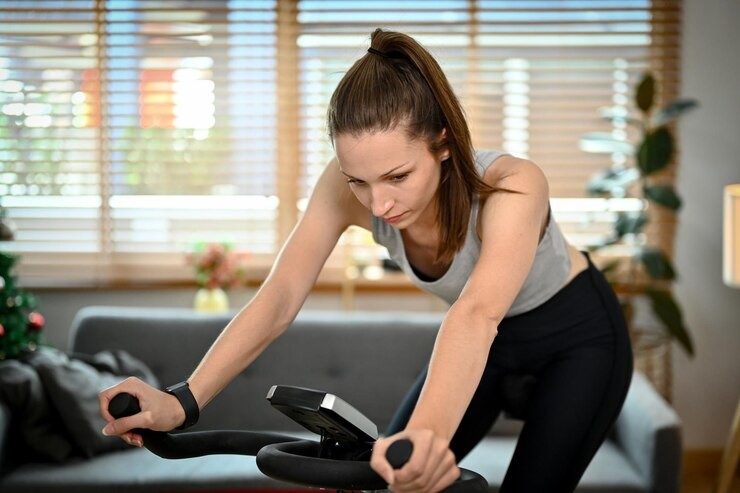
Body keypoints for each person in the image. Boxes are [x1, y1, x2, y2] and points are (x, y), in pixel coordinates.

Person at [99, 28, 633, 493]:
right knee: (384, 482)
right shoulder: (342, 188)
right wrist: (184, 401)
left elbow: (476, 314)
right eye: (359, 181)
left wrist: (425, 436)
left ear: (443, 142)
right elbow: (281, 296)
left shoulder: (512, 185)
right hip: (489, 348)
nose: (379, 205)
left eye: (398, 177)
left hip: (578, 340)